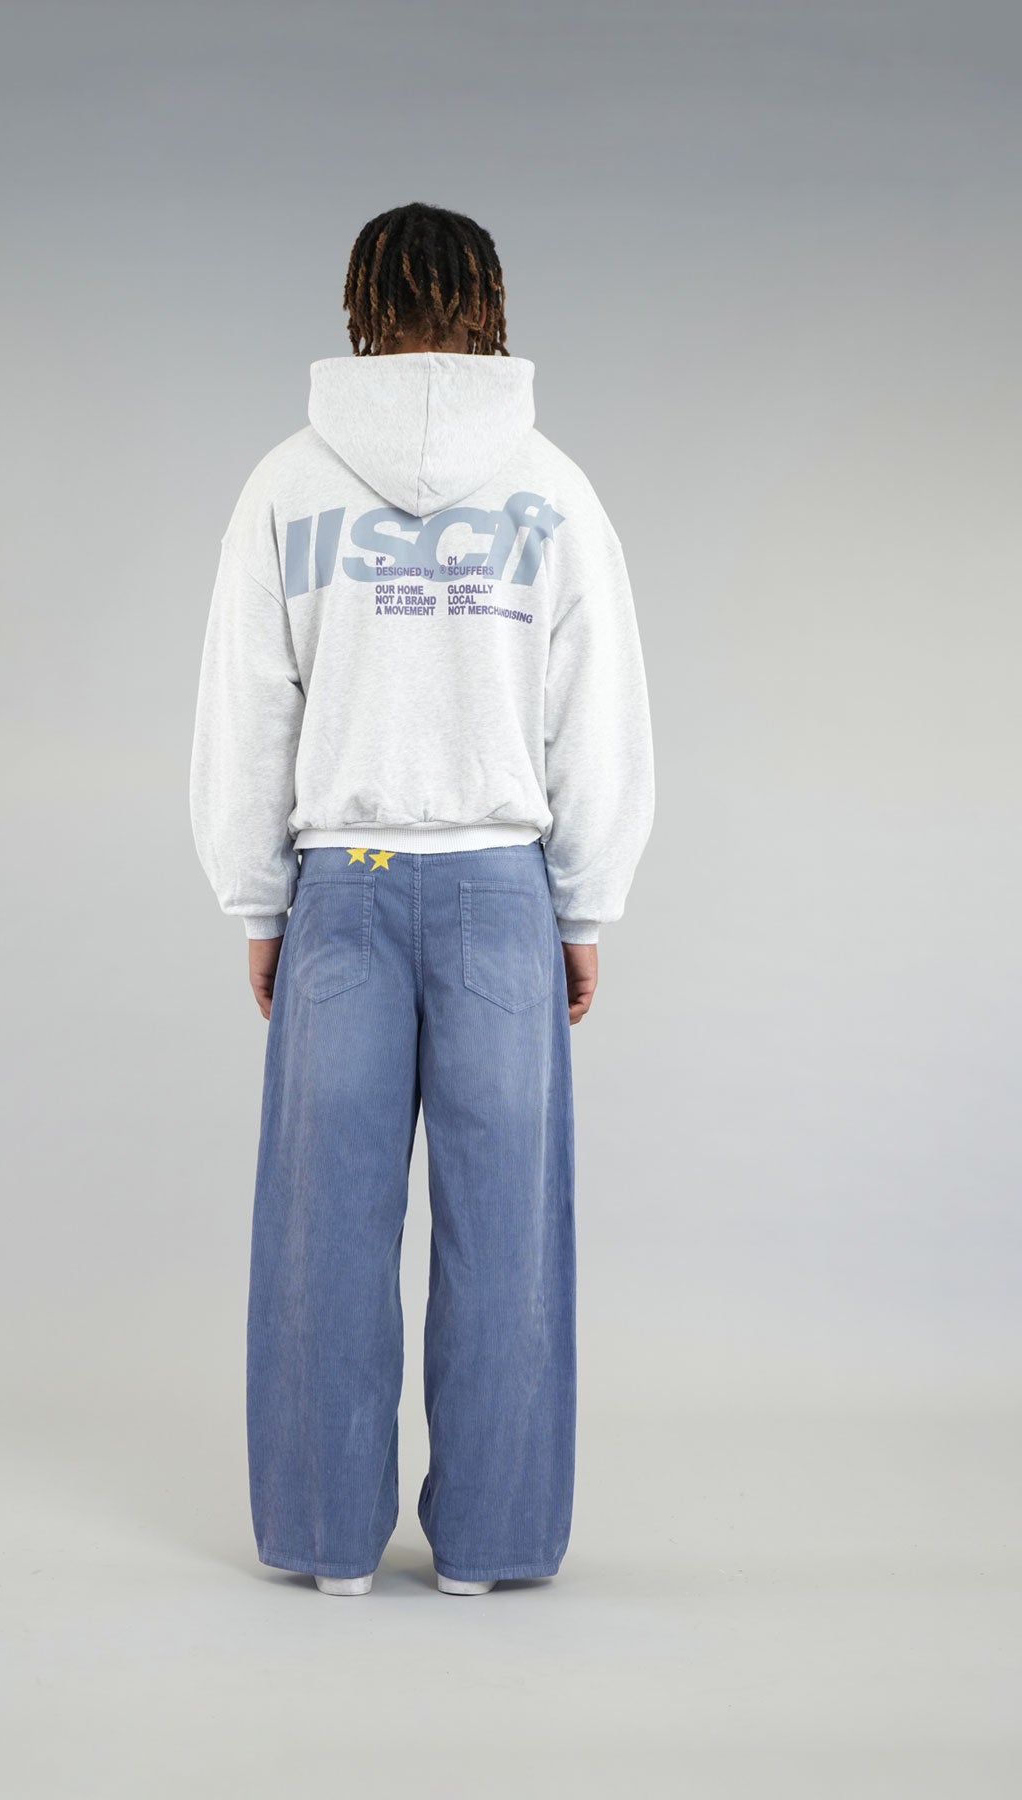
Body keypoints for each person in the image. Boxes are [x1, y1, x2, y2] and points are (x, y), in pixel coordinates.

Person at [190, 201, 654, 1598]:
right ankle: (492, 1549)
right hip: (502, 888)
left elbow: (247, 707)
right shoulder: (555, 486)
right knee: (507, 1230)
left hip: (343, 882)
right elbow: (598, 709)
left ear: (361, 305)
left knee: (321, 1231)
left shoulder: (287, 485)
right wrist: (584, 904)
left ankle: (326, 1543)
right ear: (490, 305)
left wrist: (258, 900)